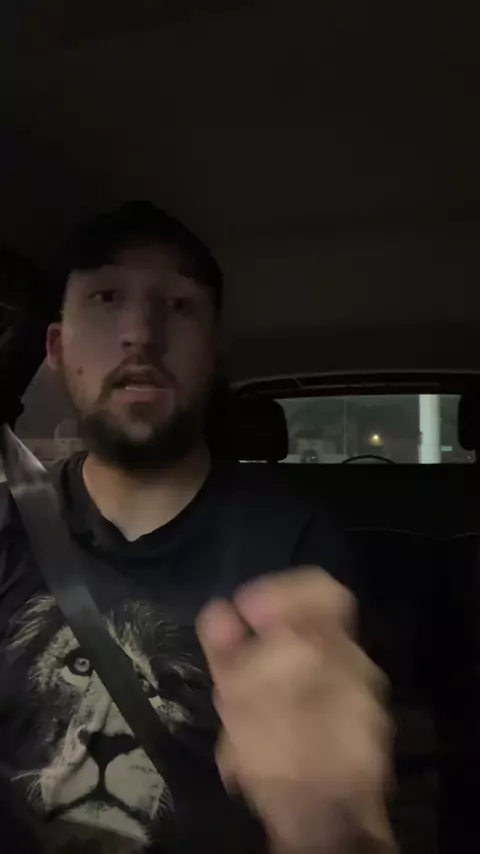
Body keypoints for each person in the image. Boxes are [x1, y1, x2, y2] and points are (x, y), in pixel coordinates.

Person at [0, 202, 394, 854]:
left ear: (213, 351)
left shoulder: (296, 543)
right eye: (105, 298)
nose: (140, 334)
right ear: (57, 347)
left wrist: (335, 827)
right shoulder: (11, 524)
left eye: (179, 306)